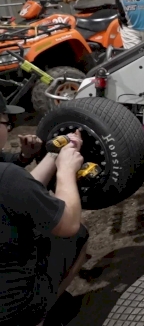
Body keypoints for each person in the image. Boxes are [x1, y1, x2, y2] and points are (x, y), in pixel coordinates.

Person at [0, 96, 89, 326]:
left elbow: (21, 190)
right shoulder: (7, 177)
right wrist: (66, 171)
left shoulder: (8, 179)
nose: (9, 128)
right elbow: (68, 223)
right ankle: (39, 314)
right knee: (78, 235)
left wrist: (55, 153)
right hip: (13, 313)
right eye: (5, 122)